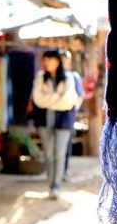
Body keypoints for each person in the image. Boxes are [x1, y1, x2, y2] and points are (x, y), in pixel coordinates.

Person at [31, 50, 79, 199]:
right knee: (49, 153)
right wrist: (57, 98)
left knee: (59, 153)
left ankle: (55, 186)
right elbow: (37, 99)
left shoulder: (68, 77)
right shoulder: (40, 77)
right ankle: (51, 184)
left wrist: (48, 101)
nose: (46, 63)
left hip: (63, 120)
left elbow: (68, 101)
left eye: (49, 60)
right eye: (45, 60)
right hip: (44, 120)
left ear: (57, 61)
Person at [60, 50, 85, 182]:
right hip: (56, 114)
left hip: (68, 115)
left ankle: (64, 171)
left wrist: (73, 109)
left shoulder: (73, 76)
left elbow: (80, 96)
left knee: (66, 145)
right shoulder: (55, 75)